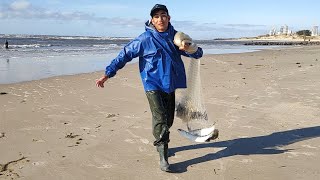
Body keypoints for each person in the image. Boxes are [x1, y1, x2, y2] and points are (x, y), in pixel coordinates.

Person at [96, 4, 203, 172]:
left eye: (163, 15)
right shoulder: (145, 39)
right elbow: (124, 55)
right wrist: (107, 74)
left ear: (169, 18)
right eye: (156, 16)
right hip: (152, 83)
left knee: (168, 120)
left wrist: (188, 48)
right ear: (152, 20)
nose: (160, 19)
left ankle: (160, 141)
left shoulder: (177, 38)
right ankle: (163, 155)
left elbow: (198, 53)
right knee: (160, 118)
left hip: (171, 84)